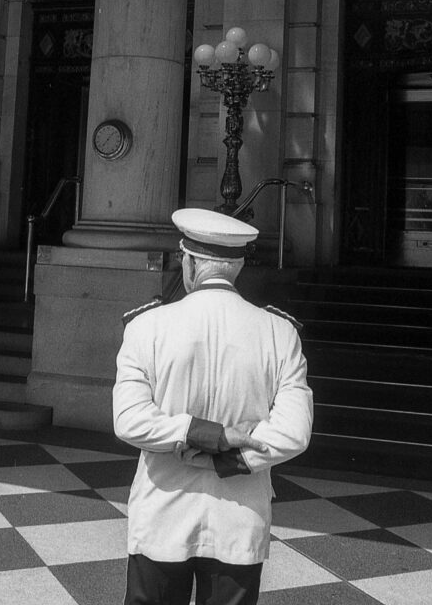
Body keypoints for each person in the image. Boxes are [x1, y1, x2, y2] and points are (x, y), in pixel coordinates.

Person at [113, 207, 313, 605]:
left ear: (189, 263)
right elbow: (293, 433)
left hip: (162, 513)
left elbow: (129, 421)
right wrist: (223, 451)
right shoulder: (279, 332)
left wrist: (200, 440)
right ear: (236, 267)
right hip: (238, 520)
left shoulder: (146, 327)